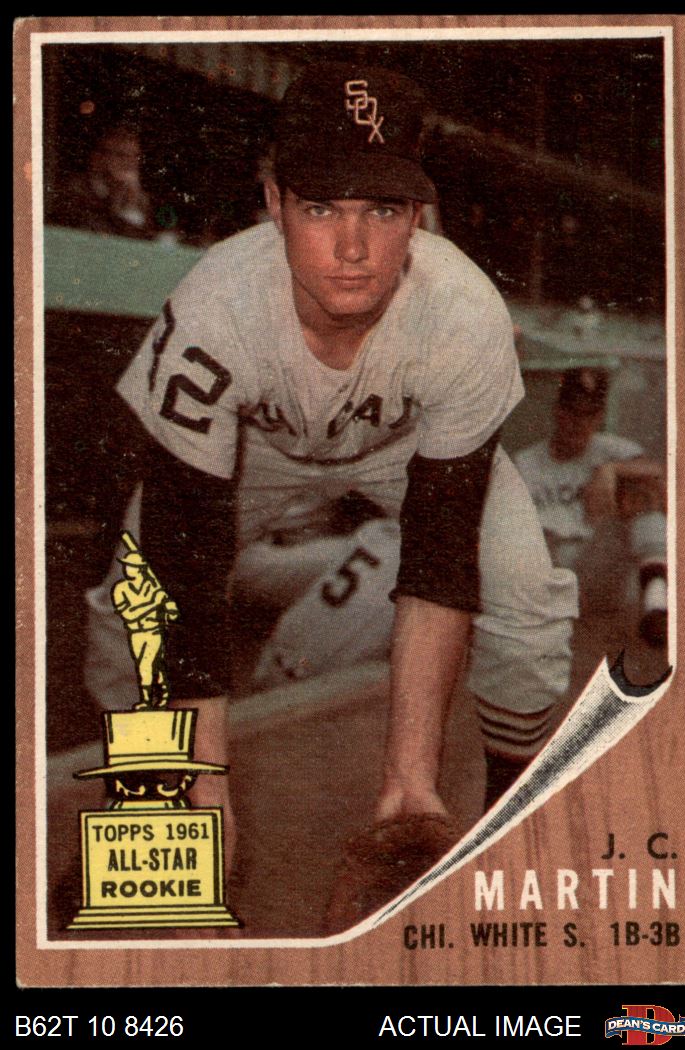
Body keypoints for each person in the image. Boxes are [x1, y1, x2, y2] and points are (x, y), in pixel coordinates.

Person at [88, 61, 578, 921]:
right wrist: (208, 783)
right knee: (126, 610)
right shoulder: (215, 309)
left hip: (403, 447)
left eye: (380, 210)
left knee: (527, 599)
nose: (352, 245)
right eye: (321, 207)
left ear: (415, 218)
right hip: (258, 450)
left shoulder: (461, 312)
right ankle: (150, 812)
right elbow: (184, 568)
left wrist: (409, 783)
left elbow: (437, 559)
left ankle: (505, 825)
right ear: (274, 203)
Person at [514, 368, 667, 647]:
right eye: (572, 412)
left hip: (599, 565)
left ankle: (657, 604)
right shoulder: (526, 463)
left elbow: (663, 475)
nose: (579, 422)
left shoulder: (612, 450)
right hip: (550, 575)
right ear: (557, 411)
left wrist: (612, 470)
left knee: (642, 492)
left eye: (589, 414)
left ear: (599, 417)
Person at [49, 125, 156, 240]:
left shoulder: (141, 199)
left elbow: (142, 242)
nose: (130, 163)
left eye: (135, 156)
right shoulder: (76, 190)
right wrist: (116, 201)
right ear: (98, 158)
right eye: (121, 155)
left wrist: (131, 204)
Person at [110, 548, 179, 710]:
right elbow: (129, 614)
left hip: (153, 632)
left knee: (145, 666)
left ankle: (147, 701)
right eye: (127, 565)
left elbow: (172, 613)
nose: (128, 569)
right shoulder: (121, 588)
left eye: (132, 566)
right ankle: (163, 694)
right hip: (136, 634)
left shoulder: (153, 588)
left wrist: (169, 606)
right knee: (153, 667)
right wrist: (153, 605)